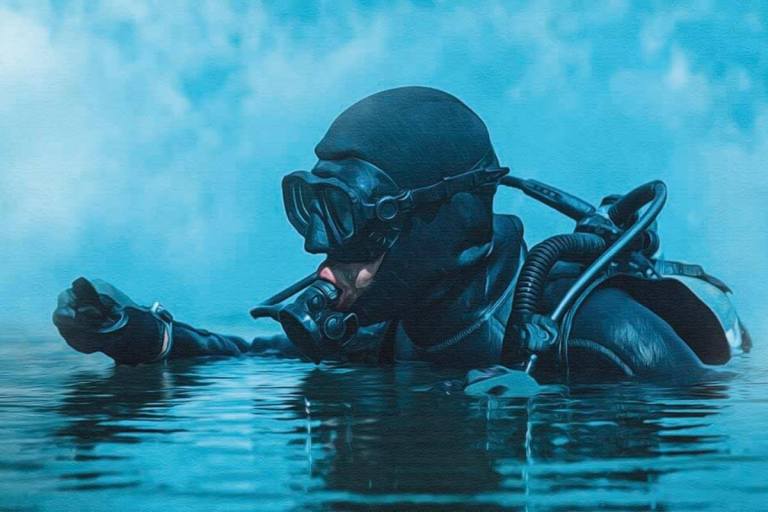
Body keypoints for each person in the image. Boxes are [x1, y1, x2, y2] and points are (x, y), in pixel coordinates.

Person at [53, 87, 750, 384]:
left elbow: (705, 439)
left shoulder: (596, 335)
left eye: (351, 220)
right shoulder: (392, 318)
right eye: (314, 212)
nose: (322, 253)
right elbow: (258, 356)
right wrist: (144, 336)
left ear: (442, 222)